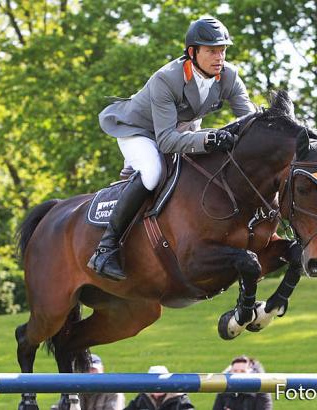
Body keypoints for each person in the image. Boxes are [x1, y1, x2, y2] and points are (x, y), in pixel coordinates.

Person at [88, 16, 256, 281]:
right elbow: (165, 141)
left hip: (180, 129)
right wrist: (209, 139)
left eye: (223, 50)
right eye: (212, 50)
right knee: (153, 173)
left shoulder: (229, 76)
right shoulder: (166, 79)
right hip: (139, 131)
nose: (219, 57)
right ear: (192, 52)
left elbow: (250, 121)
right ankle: (105, 248)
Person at [124, 365, 195, 410]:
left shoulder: (180, 399)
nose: (158, 387)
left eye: (161, 383)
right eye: (153, 383)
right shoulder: (141, 398)